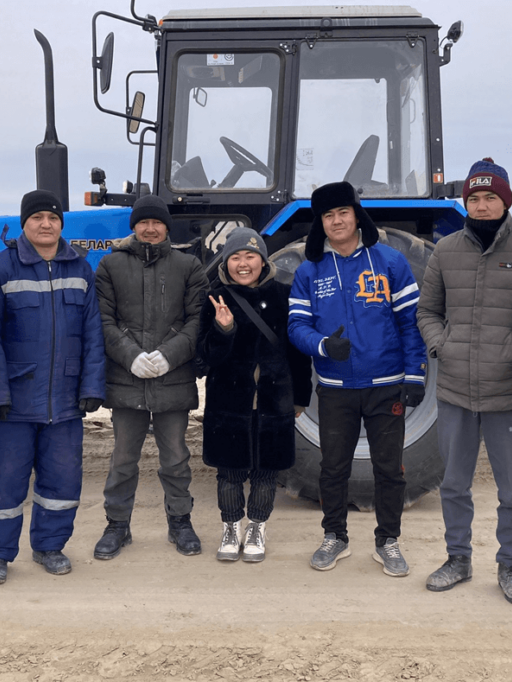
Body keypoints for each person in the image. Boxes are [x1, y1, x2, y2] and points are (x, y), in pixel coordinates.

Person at [416, 158, 512, 604]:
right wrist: (441, 346)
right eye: (474, 197)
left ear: (505, 200)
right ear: (465, 202)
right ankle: (458, 559)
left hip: (508, 390)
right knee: (454, 483)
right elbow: (427, 311)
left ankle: (510, 565)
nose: (482, 204)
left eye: (490, 196)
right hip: (454, 388)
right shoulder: (445, 250)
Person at [288, 180, 427, 577]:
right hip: (335, 391)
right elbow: (296, 326)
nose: (336, 221)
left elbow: (410, 323)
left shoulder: (390, 262)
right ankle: (335, 536)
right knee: (333, 467)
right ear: (321, 222)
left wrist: (415, 373)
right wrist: (322, 347)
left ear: (356, 215)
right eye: (328, 216)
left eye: (342, 213)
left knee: (389, 468)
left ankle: (388, 541)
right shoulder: (309, 272)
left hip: (386, 387)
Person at [0, 190, 106, 584]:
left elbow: (93, 333)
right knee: (3, 481)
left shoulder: (80, 269)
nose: (45, 224)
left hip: (64, 400)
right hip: (14, 400)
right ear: (24, 224)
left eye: (52, 217)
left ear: (61, 224)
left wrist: (91, 384)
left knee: (62, 481)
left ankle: (50, 546)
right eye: (37, 218)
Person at [92, 194, 208, 558]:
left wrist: (168, 356)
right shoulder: (110, 266)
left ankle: (180, 522)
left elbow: (196, 320)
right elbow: (104, 321)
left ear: (166, 227)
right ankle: (117, 525)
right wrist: (132, 357)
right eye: (144, 222)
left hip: (172, 378)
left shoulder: (189, 266)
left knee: (175, 456)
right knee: (124, 457)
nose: (151, 228)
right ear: (134, 226)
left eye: (157, 222)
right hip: (128, 381)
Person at [197, 228, 312, 563]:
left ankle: (257, 527)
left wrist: (300, 398)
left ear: (262, 260)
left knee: (266, 472)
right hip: (228, 403)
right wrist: (224, 330)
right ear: (226, 261)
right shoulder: (214, 297)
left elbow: (297, 355)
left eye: (250, 256)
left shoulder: (284, 295)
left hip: (274, 401)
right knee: (229, 472)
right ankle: (231, 527)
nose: (243, 264)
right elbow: (204, 359)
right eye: (235, 257)